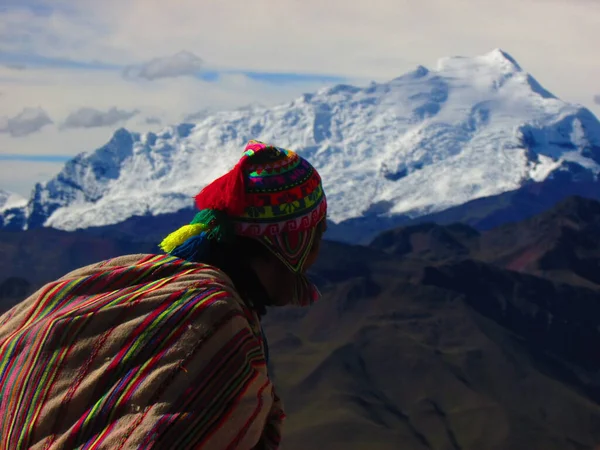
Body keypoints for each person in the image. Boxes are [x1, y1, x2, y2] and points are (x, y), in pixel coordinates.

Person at [0, 140, 327, 449]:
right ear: (290, 243)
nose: (318, 254)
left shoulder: (127, 275)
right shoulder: (219, 323)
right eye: (318, 234)